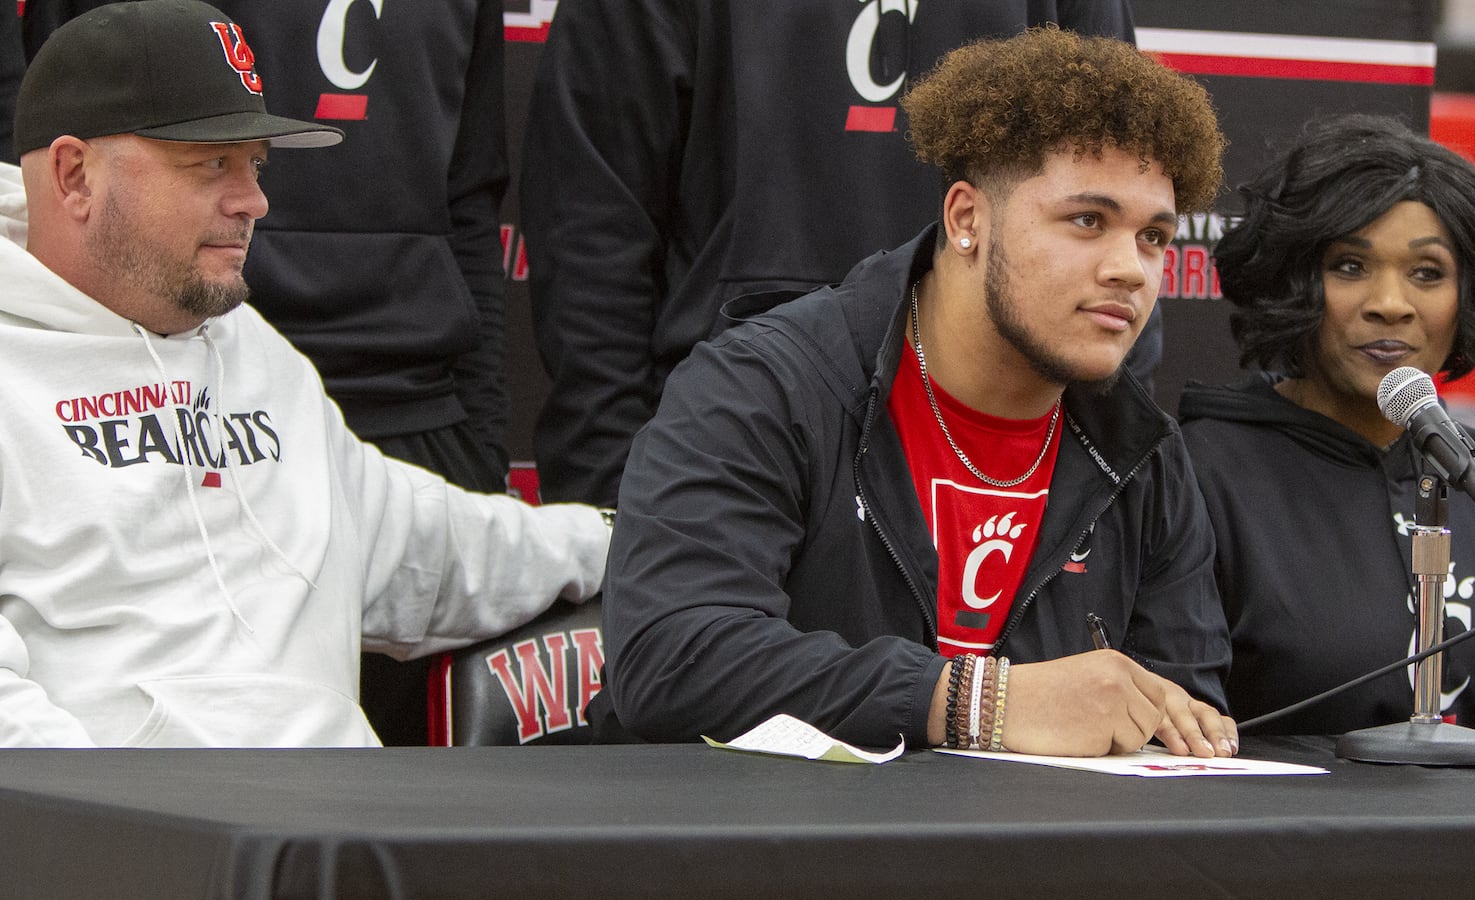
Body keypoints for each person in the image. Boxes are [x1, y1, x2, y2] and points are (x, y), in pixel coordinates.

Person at [592, 26, 1237, 758]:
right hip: (764, 856)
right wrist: (974, 700)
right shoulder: (760, 388)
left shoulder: (1143, 454)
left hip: (1031, 866)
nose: (1130, 268)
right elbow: (671, 657)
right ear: (967, 219)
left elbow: (1183, 724)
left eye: (1153, 237)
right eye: (1087, 221)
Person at [0, 0, 610, 748]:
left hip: (334, 830)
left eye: (254, 163)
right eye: (210, 164)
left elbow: (433, 547)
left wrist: (634, 538)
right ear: (73, 175)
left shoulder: (254, 354)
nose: (253, 200)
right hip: (132, 846)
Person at [524, 0, 1164, 509]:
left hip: (990, 462)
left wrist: (1101, 488)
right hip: (724, 453)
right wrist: (612, 496)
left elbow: (1123, 194)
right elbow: (591, 232)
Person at [1179, 114, 1475, 735]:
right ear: (1296, 281)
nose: (1391, 303)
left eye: (1427, 273)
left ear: (1468, 296)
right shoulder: (1198, 475)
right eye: (1350, 266)